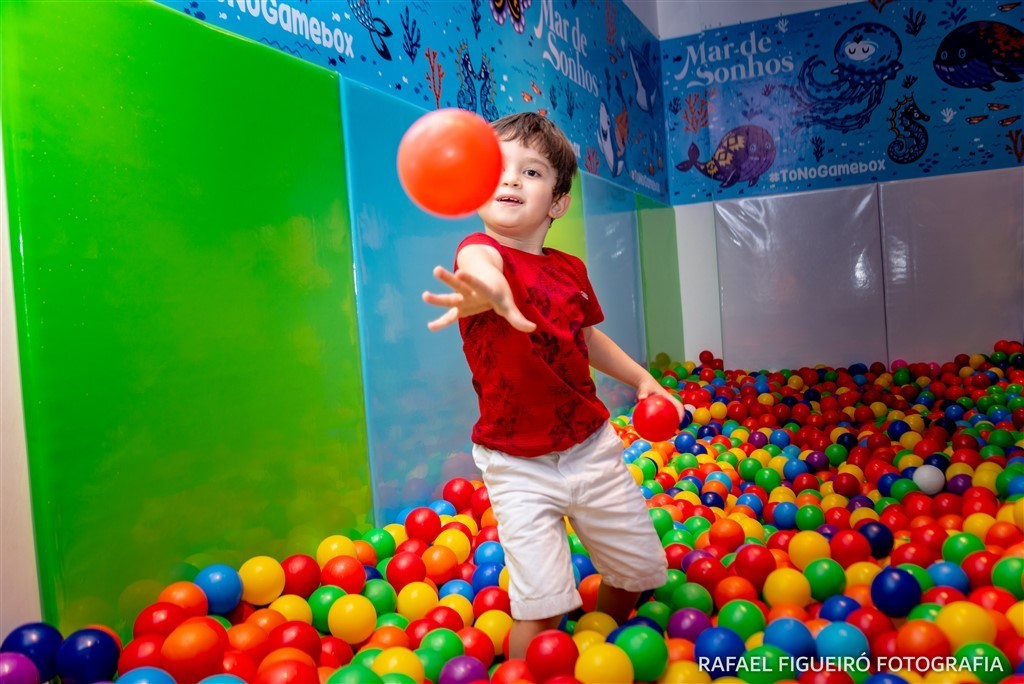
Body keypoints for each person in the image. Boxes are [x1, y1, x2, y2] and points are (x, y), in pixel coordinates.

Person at [422, 112, 681, 658]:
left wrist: (641, 379)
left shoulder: (569, 270)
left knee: (636, 573)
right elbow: (481, 265)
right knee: (540, 605)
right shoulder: (479, 252)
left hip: (590, 448)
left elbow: (586, 338)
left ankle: (598, 644)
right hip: (516, 463)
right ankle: (529, 666)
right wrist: (484, 292)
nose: (510, 180)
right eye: (496, 169)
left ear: (558, 202)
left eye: (531, 172)